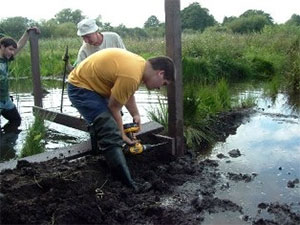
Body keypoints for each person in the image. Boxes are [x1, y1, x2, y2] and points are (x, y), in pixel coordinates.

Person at [67, 48, 175, 190]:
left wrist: (135, 114)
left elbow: (127, 93)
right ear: (160, 73)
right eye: (164, 83)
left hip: (93, 86)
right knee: (109, 129)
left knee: (112, 123)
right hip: (81, 88)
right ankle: (128, 184)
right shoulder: (132, 75)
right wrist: (121, 134)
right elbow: (114, 107)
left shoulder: (138, 66)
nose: (160, 88)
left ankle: (106, 152)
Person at [0, 27, 40, 133]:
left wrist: (27, 33)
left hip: (6, 100)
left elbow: (19, 45)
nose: (12, 53)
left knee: (16, 120)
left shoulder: (5, 58)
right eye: (10, 49)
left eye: (13, 50)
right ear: (2, 47)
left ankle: (7, 142)